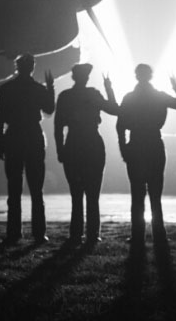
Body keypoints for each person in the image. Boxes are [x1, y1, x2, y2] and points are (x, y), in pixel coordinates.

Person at [115, 63, 176, 247]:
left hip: (136, 144)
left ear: (136, 76)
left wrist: (124, 148)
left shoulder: (129, 97)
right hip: (154, 144)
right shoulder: (159, 96)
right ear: (151, 76)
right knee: (156, 194)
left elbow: (120, 125)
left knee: (137, 194)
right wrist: (175, 85)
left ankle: (138, 235)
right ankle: (159, 235)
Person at [53, 63, 119, 245]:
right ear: (87, 77)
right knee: (93, 194)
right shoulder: (93, 94)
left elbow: (58, 126)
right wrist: (109, 88)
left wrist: (60, 149)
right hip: (93, 143)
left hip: (73, 143)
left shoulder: (65, 96)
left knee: (76, 194)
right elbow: (114, 109)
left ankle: (76, 234)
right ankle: (92, 234)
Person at [0, 54, 55, 243]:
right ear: (32, 67)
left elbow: (0, 116)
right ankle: (39, 232)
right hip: (33, 136)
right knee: (36, 189)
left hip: (13, 136)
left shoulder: (6, 89)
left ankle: (14, 232)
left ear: (17, 66)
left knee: (14, 189)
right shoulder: (38, 89)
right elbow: (49, 110)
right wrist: (50, 89)